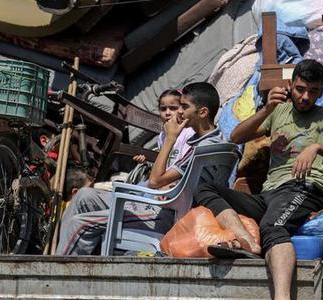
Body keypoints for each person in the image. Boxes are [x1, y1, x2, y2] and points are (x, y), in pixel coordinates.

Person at [194, 59, 323, 300]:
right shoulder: (278, 111)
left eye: (313, 91)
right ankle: (246, 241)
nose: (305, 96)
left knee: (274, 227)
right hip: (269, 194)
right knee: (207, 189)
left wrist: (318, 148)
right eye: (300, 89)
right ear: (291, 86)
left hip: (304, 190)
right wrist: (268, 109)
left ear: (321, 92)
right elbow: (236, 135)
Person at [56, 82, 224, 255]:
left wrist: (170, 138)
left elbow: (155, 181)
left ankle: (56, 275)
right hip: (155, 203)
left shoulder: (203, 147)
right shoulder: (207, 140)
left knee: (81, 223)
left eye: (184, 107)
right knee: (84, 196)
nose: (178, 112)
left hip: (165, 212)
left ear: (203, 112)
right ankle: (62, 257)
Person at [132, 89, 195, 180]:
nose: (167, 113)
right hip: (161, 180)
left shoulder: (190, 133)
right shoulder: (162, 135)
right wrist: (147, 161)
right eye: (163, 109)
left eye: (173, 108)